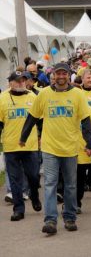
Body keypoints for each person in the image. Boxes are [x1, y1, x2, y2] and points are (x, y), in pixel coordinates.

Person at [20, 63, 91, 235]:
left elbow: (85, 121)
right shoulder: (44, 94)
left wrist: (90, 143)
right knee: (50, 184)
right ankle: (50, 220)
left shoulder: (77, 94)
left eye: (64, 74)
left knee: (70, 185)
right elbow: (32, 116)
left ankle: (69, 217)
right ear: (53, 75)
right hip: (49, 147)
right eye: (58, 73)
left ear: (69, 75)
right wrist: (23, 137)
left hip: (70, 148)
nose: (61, 76)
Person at [0, 71, 41, 221]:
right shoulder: (2, 98)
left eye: (23, 80)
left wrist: (41, 136)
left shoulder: (33, 97)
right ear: (10, 83)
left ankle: (34, 195)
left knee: (33, 176)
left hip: (30, 146)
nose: (21, 83)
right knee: (15, 179)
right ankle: (18, 209)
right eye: (17, 81)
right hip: (11, 147)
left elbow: (40, 120)